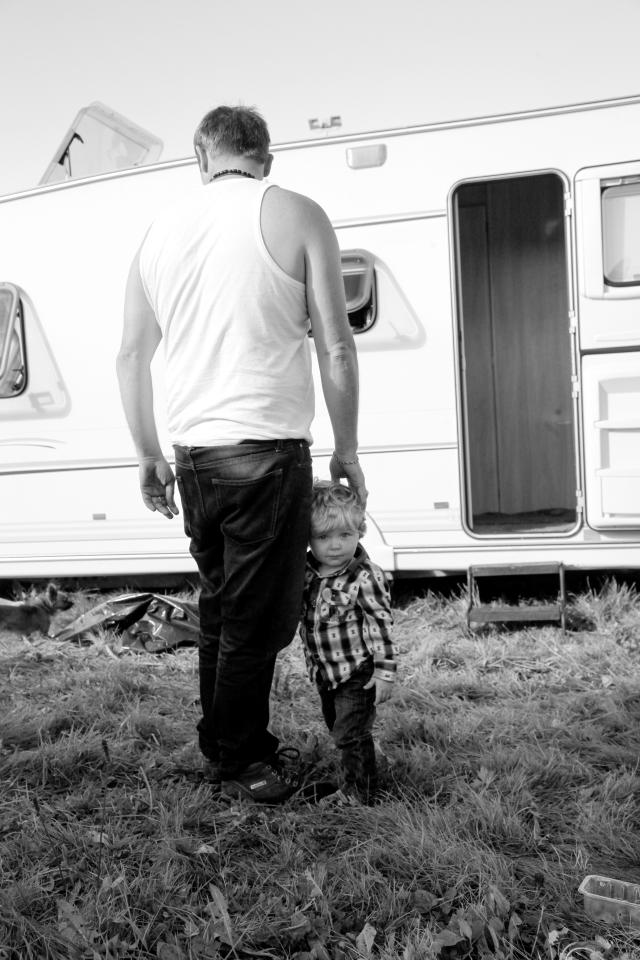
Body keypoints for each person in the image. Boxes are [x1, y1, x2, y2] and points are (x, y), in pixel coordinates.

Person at [116, 105, 367, 804]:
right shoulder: (298, 212)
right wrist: (346, 447)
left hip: (194, 455)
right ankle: (240, 757)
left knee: (224, 610)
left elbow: (132, 354)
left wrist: (146, 453)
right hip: (267, 451)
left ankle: (220, 741)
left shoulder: (158, 232)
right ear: (267, 157)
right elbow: (336, 344)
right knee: (257, 622)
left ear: (201, 157)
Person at [299, 480, 397, 805]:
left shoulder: (365, 577)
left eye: (345, 534)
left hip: (358, 672)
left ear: (360, 530)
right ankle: (354, 775)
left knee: (350, 732)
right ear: (309, 538)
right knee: (338, 729)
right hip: (325, 672)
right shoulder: (307, 574)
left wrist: (384, 672)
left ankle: (361, 793)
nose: (336, 545)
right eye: (323, 537)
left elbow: (380, 623)